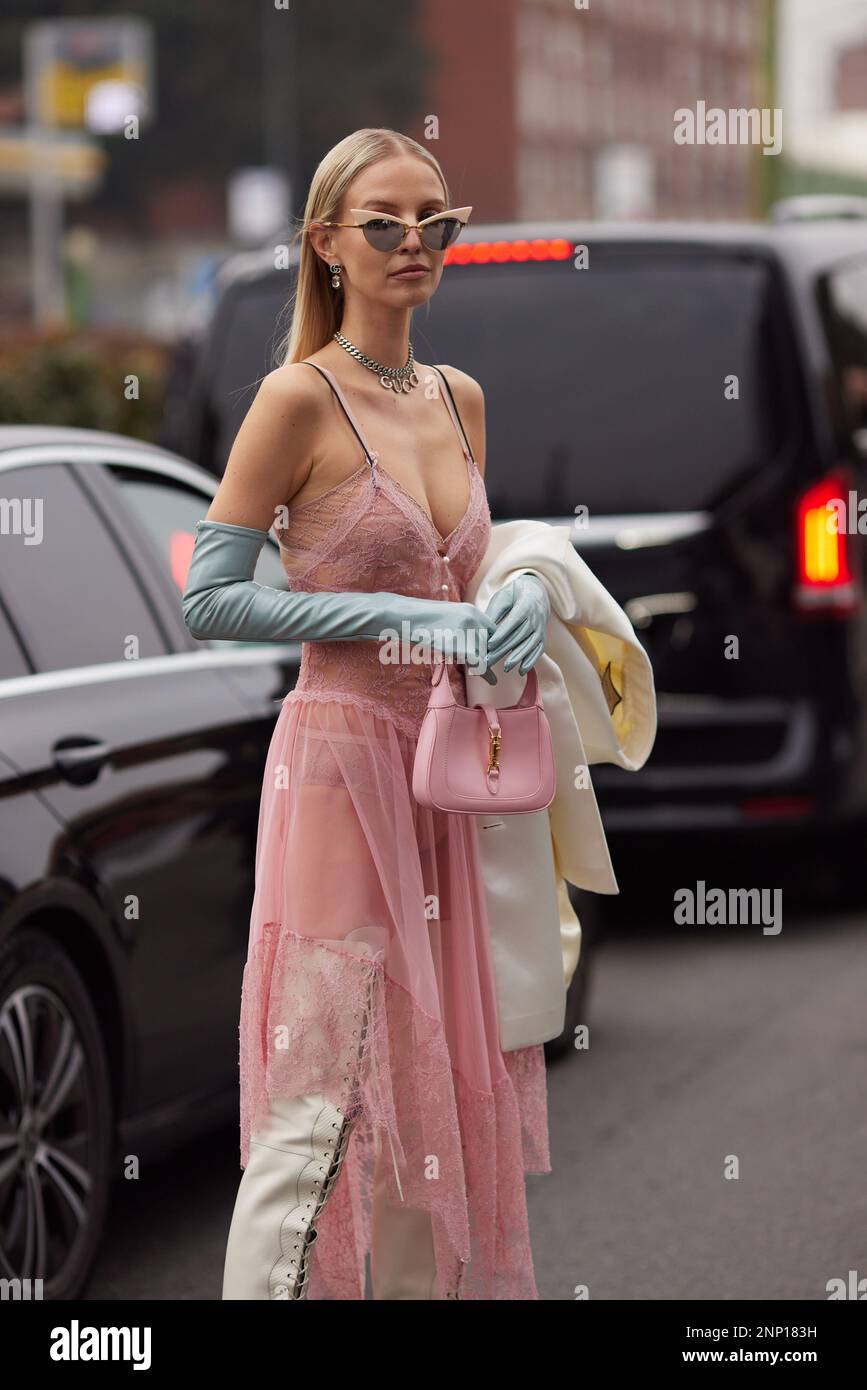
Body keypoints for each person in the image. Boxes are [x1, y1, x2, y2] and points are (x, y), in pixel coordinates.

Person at [182, 127, 552, 1300]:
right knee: (317, 1104)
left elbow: (472, 581)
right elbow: (211, 597)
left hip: (444, 775)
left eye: (435, 220)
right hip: (340, 770)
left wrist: (509, 613)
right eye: (384, 222)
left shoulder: (460, 399)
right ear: (326, 244)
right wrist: (413, 624)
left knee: (428, 1110)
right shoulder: (298, 398)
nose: (413, 243)